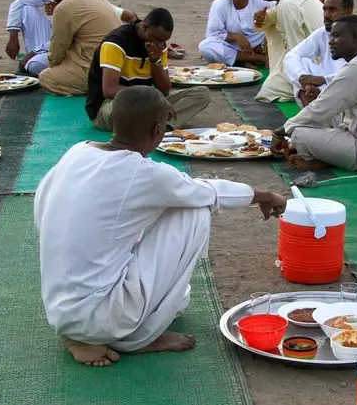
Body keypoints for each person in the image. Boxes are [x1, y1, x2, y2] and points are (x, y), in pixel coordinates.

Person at [36, 85, 286, 366]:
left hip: (60, 310)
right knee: (195, 210)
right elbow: (210, 192)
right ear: (158, 130)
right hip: (101, 315)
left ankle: (81, 333)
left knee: (177, 293)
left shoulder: (76, 153)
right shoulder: (142, 173)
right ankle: (140, 338)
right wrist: (268, 196)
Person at [271, 15, 357, 172]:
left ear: (355, 38)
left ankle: (324, 159)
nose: (330, 41)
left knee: (298, 134)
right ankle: (328, 156)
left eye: (336, 36)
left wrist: (280, 132)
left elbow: (320, 108)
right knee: (322, 119)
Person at [6, 0, 137, 75]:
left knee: (41, 70)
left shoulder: (93, 0)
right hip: (60, 46)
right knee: (27, 8)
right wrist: (13, 37)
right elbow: (19, 4)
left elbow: (127, 15)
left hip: (84, 58)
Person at [87, 8, 210, 131]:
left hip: (145, 102)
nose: (161, 44)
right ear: (145, 28)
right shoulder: (116, 43)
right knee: (137, 109)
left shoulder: (158, 45)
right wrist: (152, 98)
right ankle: (155, 125)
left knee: (201, 94)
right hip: (110, 106)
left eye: (164, 41)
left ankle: (160, 127)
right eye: (157, 39)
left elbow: (165, 89)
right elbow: (109, 90)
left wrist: (155, 61)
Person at [284, 0, 357, 107]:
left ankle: (312, 114)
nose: (326, 15)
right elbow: (291, 56)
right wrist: (303, 80)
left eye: (332, 10)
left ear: (348, 11)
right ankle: (310, 105)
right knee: (300, 63)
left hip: (349, 96)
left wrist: (324, 80)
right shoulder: (322, 33)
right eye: (324, 9)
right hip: (322, 91)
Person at [39, 0, 120, 96]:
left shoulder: (64, 7)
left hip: (97, 71)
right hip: (115, 66)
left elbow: (57, 51)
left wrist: (55, 67)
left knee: (46, 77)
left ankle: (91, 87)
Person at [253, 0, 324, 103]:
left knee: (268, 91)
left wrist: (303, 80)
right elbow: (274, 14)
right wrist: (263, 18)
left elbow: (297, 49)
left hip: (318, 63)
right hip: (319, 56)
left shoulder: (288, 5)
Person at [198, 0, 274, 67]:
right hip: (234, 47)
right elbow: (213, 33)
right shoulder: (219, 4)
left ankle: (243, 60)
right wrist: (237, 37)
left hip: (260, 42)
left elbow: (279, 12)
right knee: (205, 46)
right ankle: (258, 58)